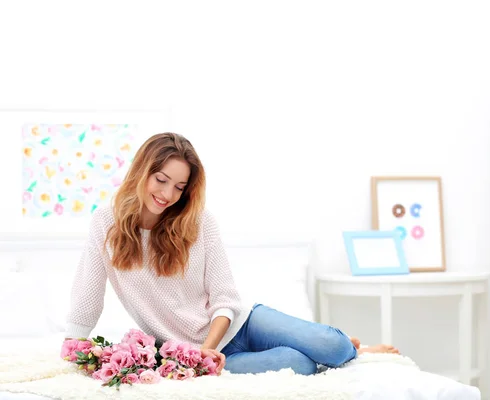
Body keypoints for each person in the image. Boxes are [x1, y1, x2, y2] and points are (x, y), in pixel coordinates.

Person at [65, 132, 400, 376]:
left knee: (333, 348)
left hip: (242, 324)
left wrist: (208, 349)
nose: (168, 194)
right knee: (301, 365)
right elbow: (87, 295)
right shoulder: (106, 224)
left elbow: (225, 296)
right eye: (161, 180)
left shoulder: (199, 223)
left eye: (180, 187)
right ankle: (325, 350)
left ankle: (355, 350)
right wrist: (72, 349)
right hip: (189, 351)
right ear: (142, 172)